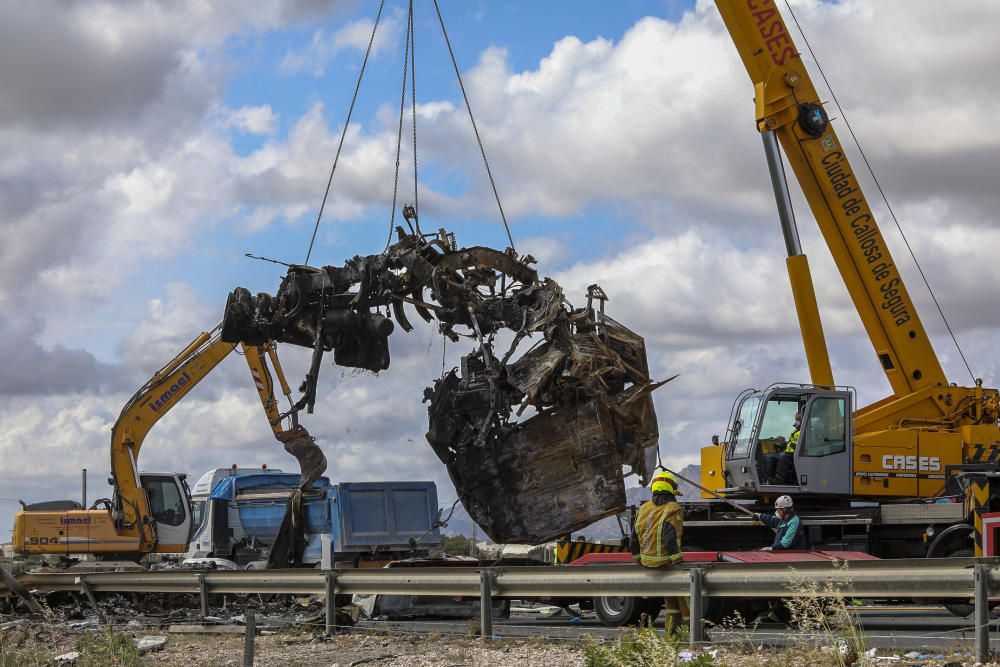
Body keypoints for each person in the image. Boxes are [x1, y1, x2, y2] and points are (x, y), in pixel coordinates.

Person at [630, 470, 688, 632]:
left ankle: (671, 634)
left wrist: (638, 559)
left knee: (670, 601)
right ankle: (694, 632)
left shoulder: (643, 508)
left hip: (647, 564)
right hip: (665, 563)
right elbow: (670, 537)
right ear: (671, 488)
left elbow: (633, 538)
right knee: (686, 600)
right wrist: (677, 560)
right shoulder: (673, 508)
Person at [764, 412, 801, 484]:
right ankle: (767, 478)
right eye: (795, 419)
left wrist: (792, 445)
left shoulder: (804, 431)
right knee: (770, 456)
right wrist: (780, 443)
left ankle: (779, 480)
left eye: (798, 419)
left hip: (795, 452)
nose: (796, 421)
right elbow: (790, 442)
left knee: (783, 456)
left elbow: (800, 443)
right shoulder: (794, 431)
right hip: (788, 451)